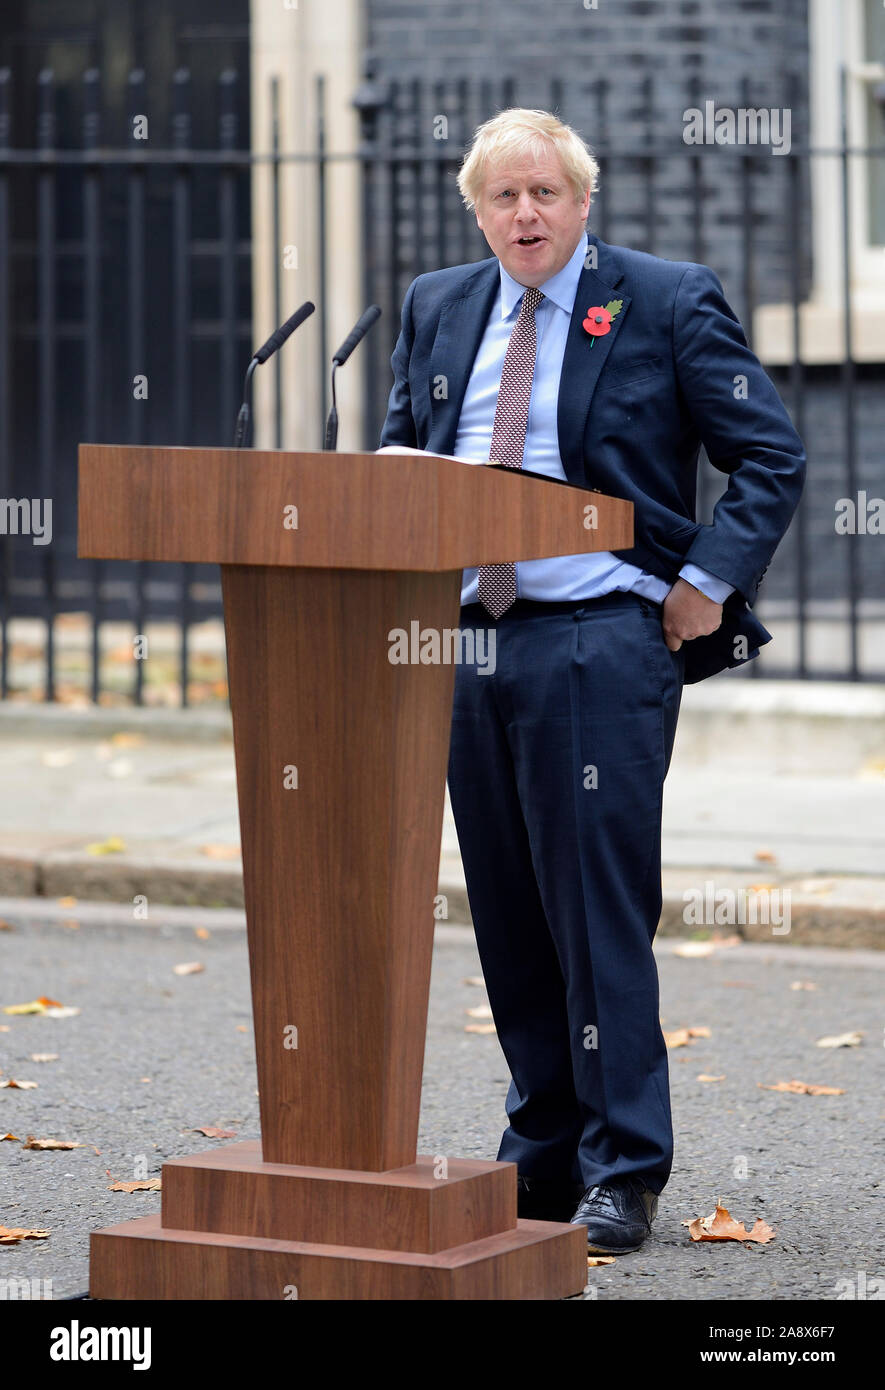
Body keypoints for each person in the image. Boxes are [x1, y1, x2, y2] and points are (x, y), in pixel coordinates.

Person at [379, 108, 805, 1254]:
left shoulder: (664, 300)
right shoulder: (436, 304)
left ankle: (625, 1165)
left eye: (545, 194)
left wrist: (704, 582)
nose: (525, 214)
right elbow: (400, 457)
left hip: (601, 636)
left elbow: (769, 453)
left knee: (594, 909)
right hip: (468, 641)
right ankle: (545, 1151)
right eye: (503, 197)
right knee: (509, 910)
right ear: (478, 213)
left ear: (582, 202)